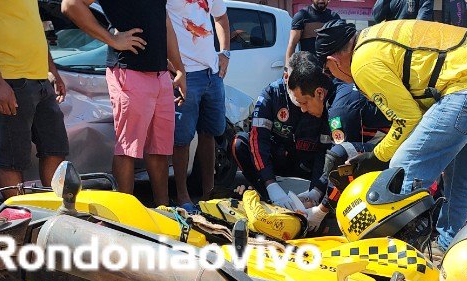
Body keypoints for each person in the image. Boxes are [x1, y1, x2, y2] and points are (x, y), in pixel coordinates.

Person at [315, 19, 467, 251]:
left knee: (405, 164)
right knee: (458, 172)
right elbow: (419, 109)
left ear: (333, 61)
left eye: (327, 70)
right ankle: (447, 247)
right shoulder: (372, 38)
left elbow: (407, 119)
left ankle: (405, 255)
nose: (331, 75)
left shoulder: (362, 63)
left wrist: (376, 156)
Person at [62, 0, 187, 204]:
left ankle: (163, 211)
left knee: (160, 149)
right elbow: (70, 5)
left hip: (160, 73)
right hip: (128, 71)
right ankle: (124, 218)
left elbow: (164, 21)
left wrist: (180, 68)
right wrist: (112, 39)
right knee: (128, 149)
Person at [0, 0, 70, 194]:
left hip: (38, 77)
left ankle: (54, 211)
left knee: (55, 150)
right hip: (6, 78)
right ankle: (22, 219)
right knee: (13, 160)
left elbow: (32, 25)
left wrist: (51, 70)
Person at [286, 56, 390, 227]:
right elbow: (325, 153)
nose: (303, 109)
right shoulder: (334, 93)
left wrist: (322, 209)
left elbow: (343, 165)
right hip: (383, 148)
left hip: (398, 153)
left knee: (341, 156)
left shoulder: (340, 111)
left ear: (319, 92)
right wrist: (315, 192)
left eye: (304, 103)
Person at [231, 52, 332, 210]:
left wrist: (316, 192)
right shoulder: (271, 94)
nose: (304, 108)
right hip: (279, 157)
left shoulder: (326, 94)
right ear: (287, 78)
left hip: (309, 161)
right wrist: (271, 185)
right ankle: (270, 199)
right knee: (240, 143)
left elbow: (327, 152)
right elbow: (258, 140)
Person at [168, 0, 231, 208]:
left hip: (212, 73)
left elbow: (221, 17)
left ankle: (209, 195)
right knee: (181, 139)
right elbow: (160, 26)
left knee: (209, 133)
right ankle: (183, 196)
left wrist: (225, 53)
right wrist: (175, 68)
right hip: (185, 74)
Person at [286, 0, 339, 64]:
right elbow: (292, 44)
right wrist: (287, 68)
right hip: (307, 67)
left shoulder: (335, 18)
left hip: (329, 68)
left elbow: (339, 45)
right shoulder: (302, 15)